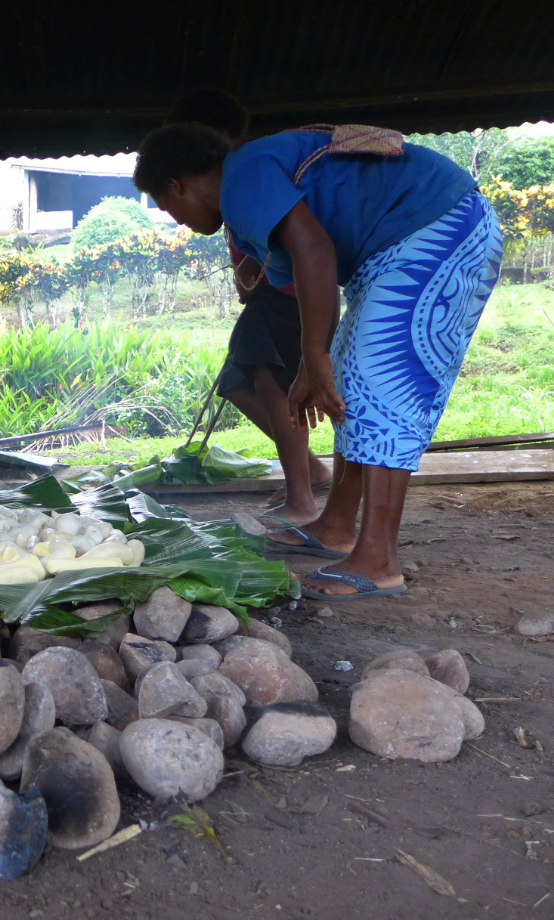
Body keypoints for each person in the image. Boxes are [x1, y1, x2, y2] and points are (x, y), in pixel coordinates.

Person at [134, 122, 502, 600]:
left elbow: (315, 248)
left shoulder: (242, 177)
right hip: (393, 247)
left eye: (166, 207)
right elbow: (315, 275)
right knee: (349, 381)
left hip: (436, 228)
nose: (175, 218)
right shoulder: (248, 210)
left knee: (380, 381)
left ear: (176, 186)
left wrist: (314, 354)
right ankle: (336, 528)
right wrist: (314, 366)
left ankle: (379, 560)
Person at [164, 90, 330, 527]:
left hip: (292, 289)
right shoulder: (231, 183)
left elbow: (301, 242)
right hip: (271, 290)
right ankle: (310, 470)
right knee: (237, 381)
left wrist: (315, 352)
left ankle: (302, 497)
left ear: (216, 137)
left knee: (270, 378)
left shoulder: (249, 169)